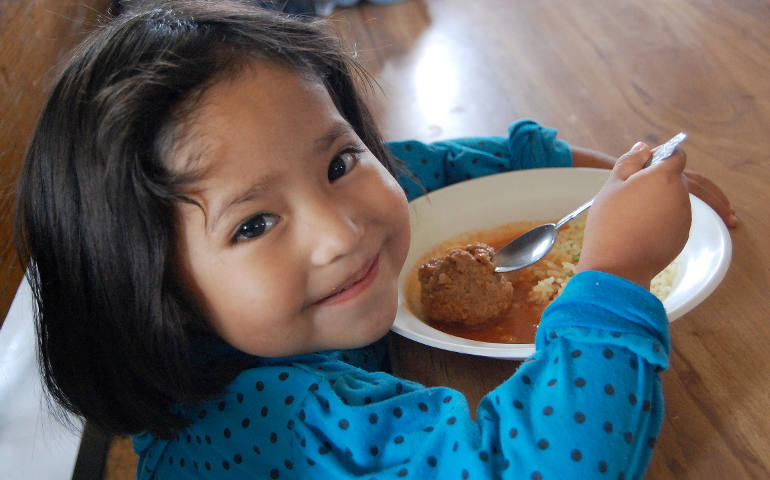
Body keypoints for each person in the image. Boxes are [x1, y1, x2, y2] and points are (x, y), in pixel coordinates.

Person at [14, 1, 734, 478]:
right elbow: (545, 465)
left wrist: (612, 178)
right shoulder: (276, 420)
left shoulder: (308, 260)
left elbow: (441, 164)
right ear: (151, 291)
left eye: (336, 161)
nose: (341, 228)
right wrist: (613, 273)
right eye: (254, 224)